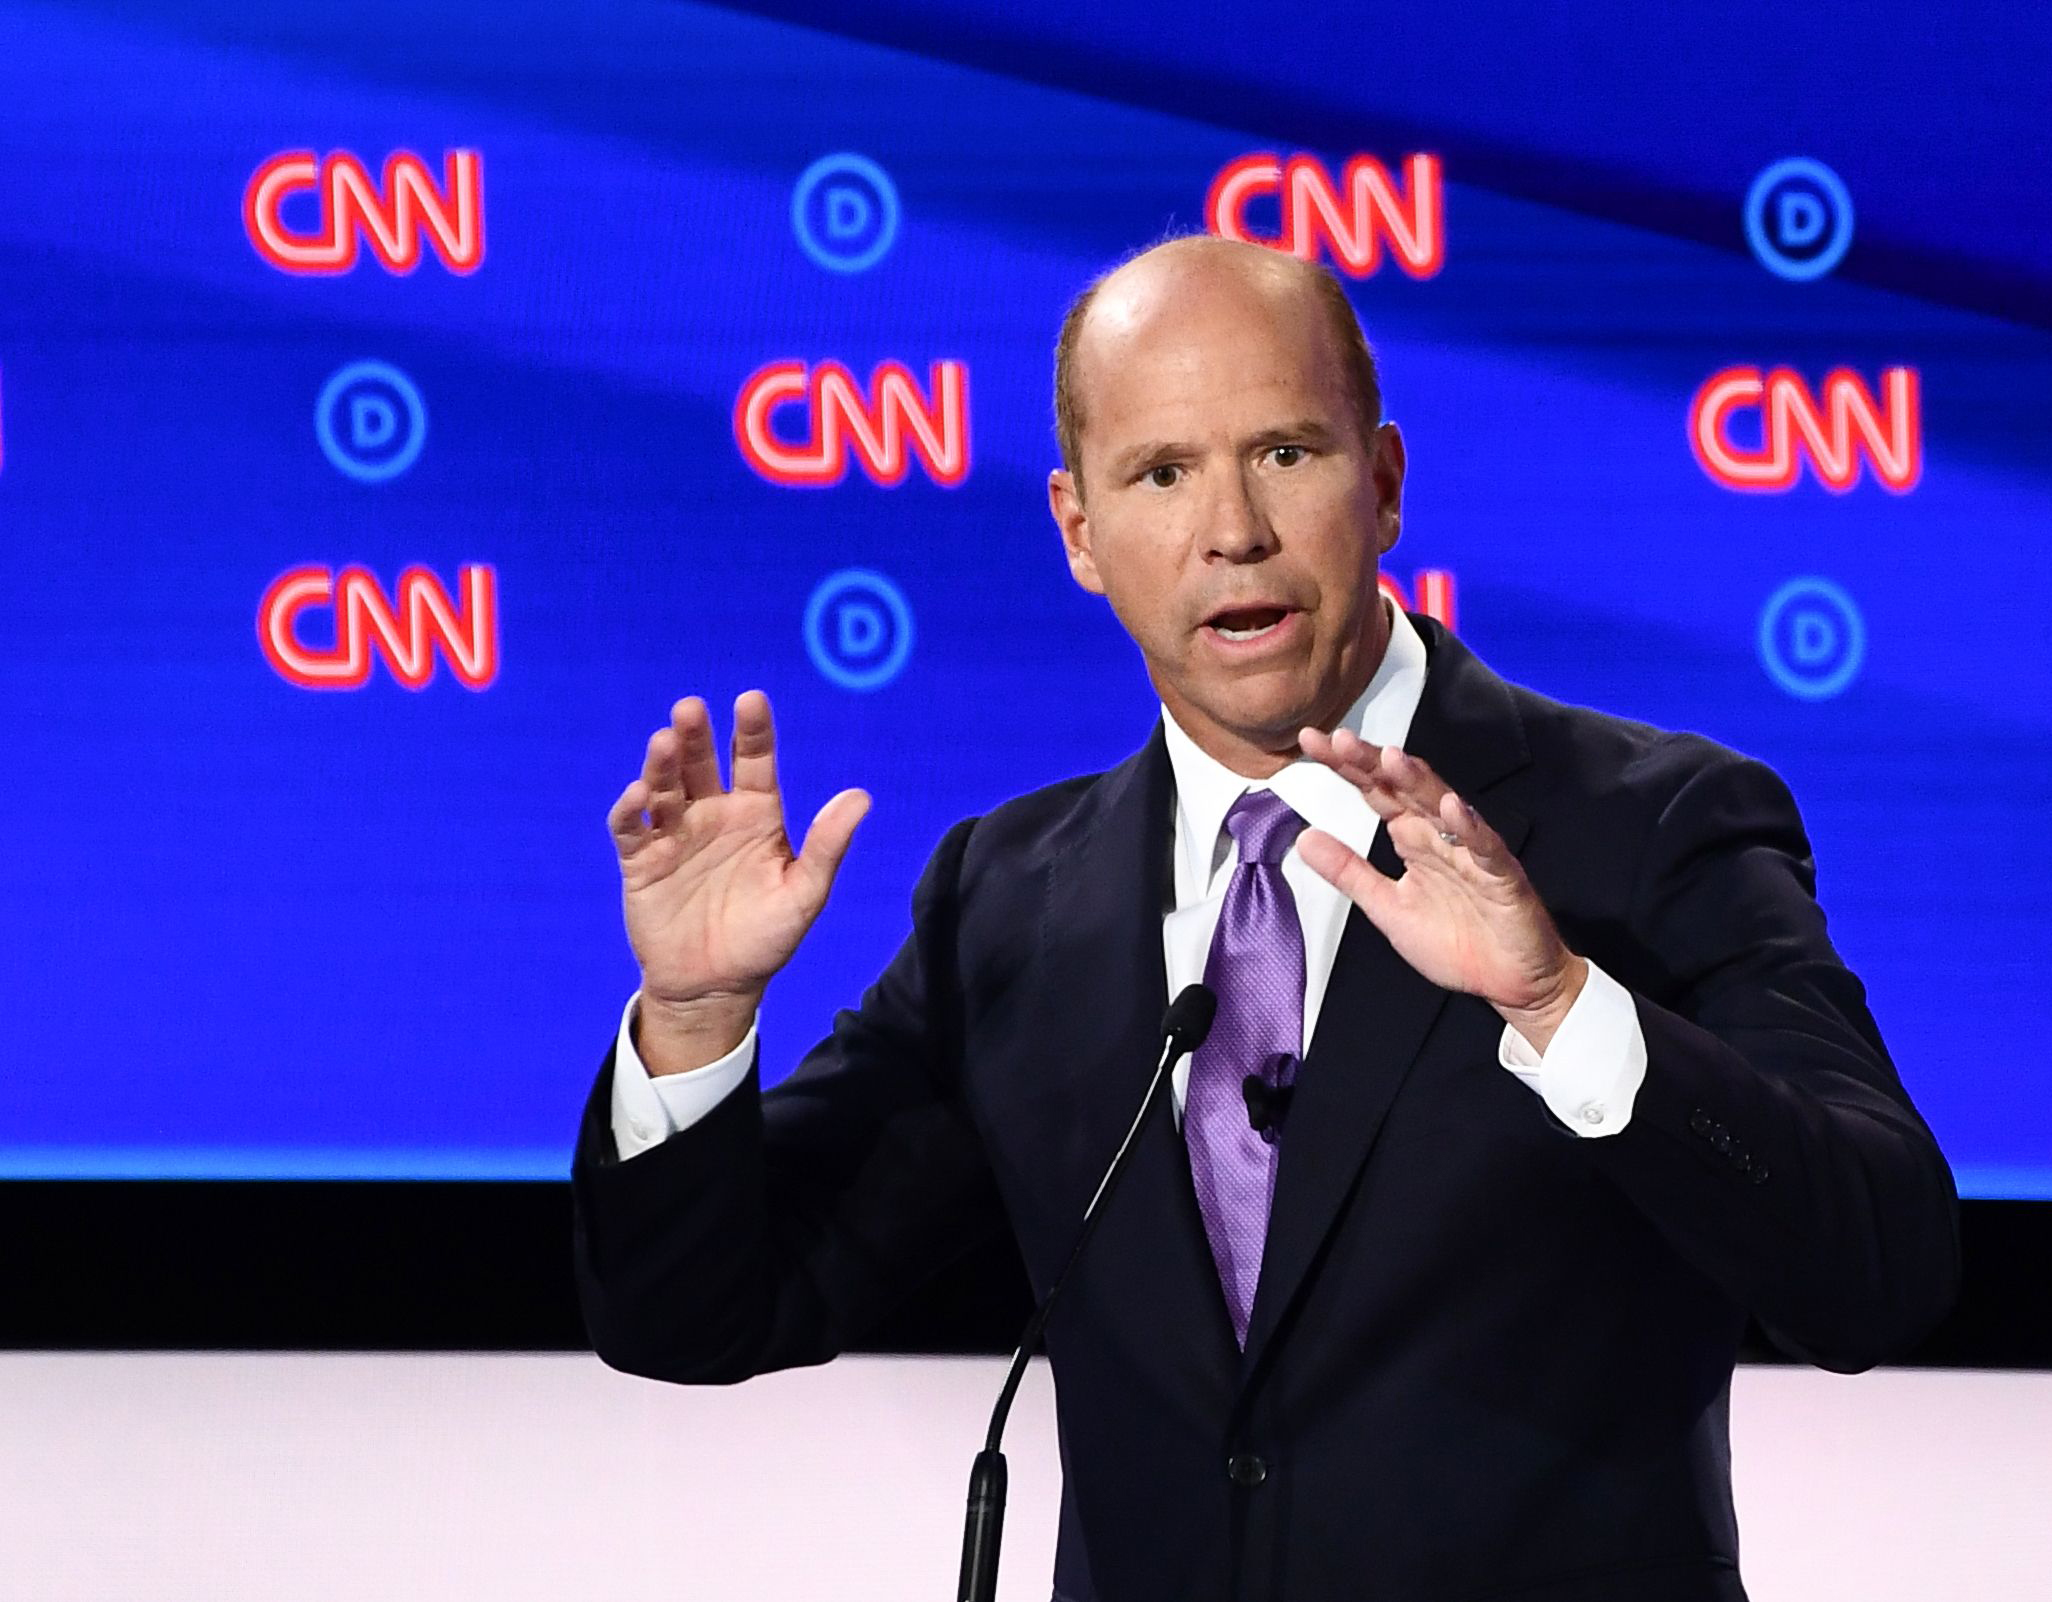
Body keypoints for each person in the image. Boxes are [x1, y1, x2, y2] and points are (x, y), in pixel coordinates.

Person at [573, 233, 1959, 1602]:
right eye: (1161, 472)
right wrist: (695, 1018)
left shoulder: (1648, 827)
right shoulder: (1005, 897)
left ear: (1385, 481)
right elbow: (702, 1314)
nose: (1230, 529)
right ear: (1078, 530)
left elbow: (1873, 1273)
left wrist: (1558, 1004)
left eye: (1285, 453)